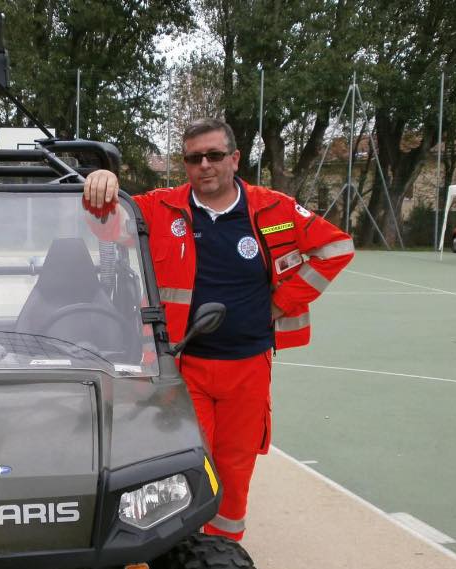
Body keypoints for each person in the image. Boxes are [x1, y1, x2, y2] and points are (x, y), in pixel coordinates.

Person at [83, 118, 354, 541]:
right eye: (194, 158)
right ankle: (182, 553)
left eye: (213, 155)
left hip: (248, 367)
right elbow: (105, 225)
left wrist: (282, 303)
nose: (204, 165)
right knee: (183, 464)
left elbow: (337, 247)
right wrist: (101, 183)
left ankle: (225, 553)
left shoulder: (272, 209)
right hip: (182, 367)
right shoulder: (160, 207)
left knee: (235, 465)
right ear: (185, 164)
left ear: (234, 158)